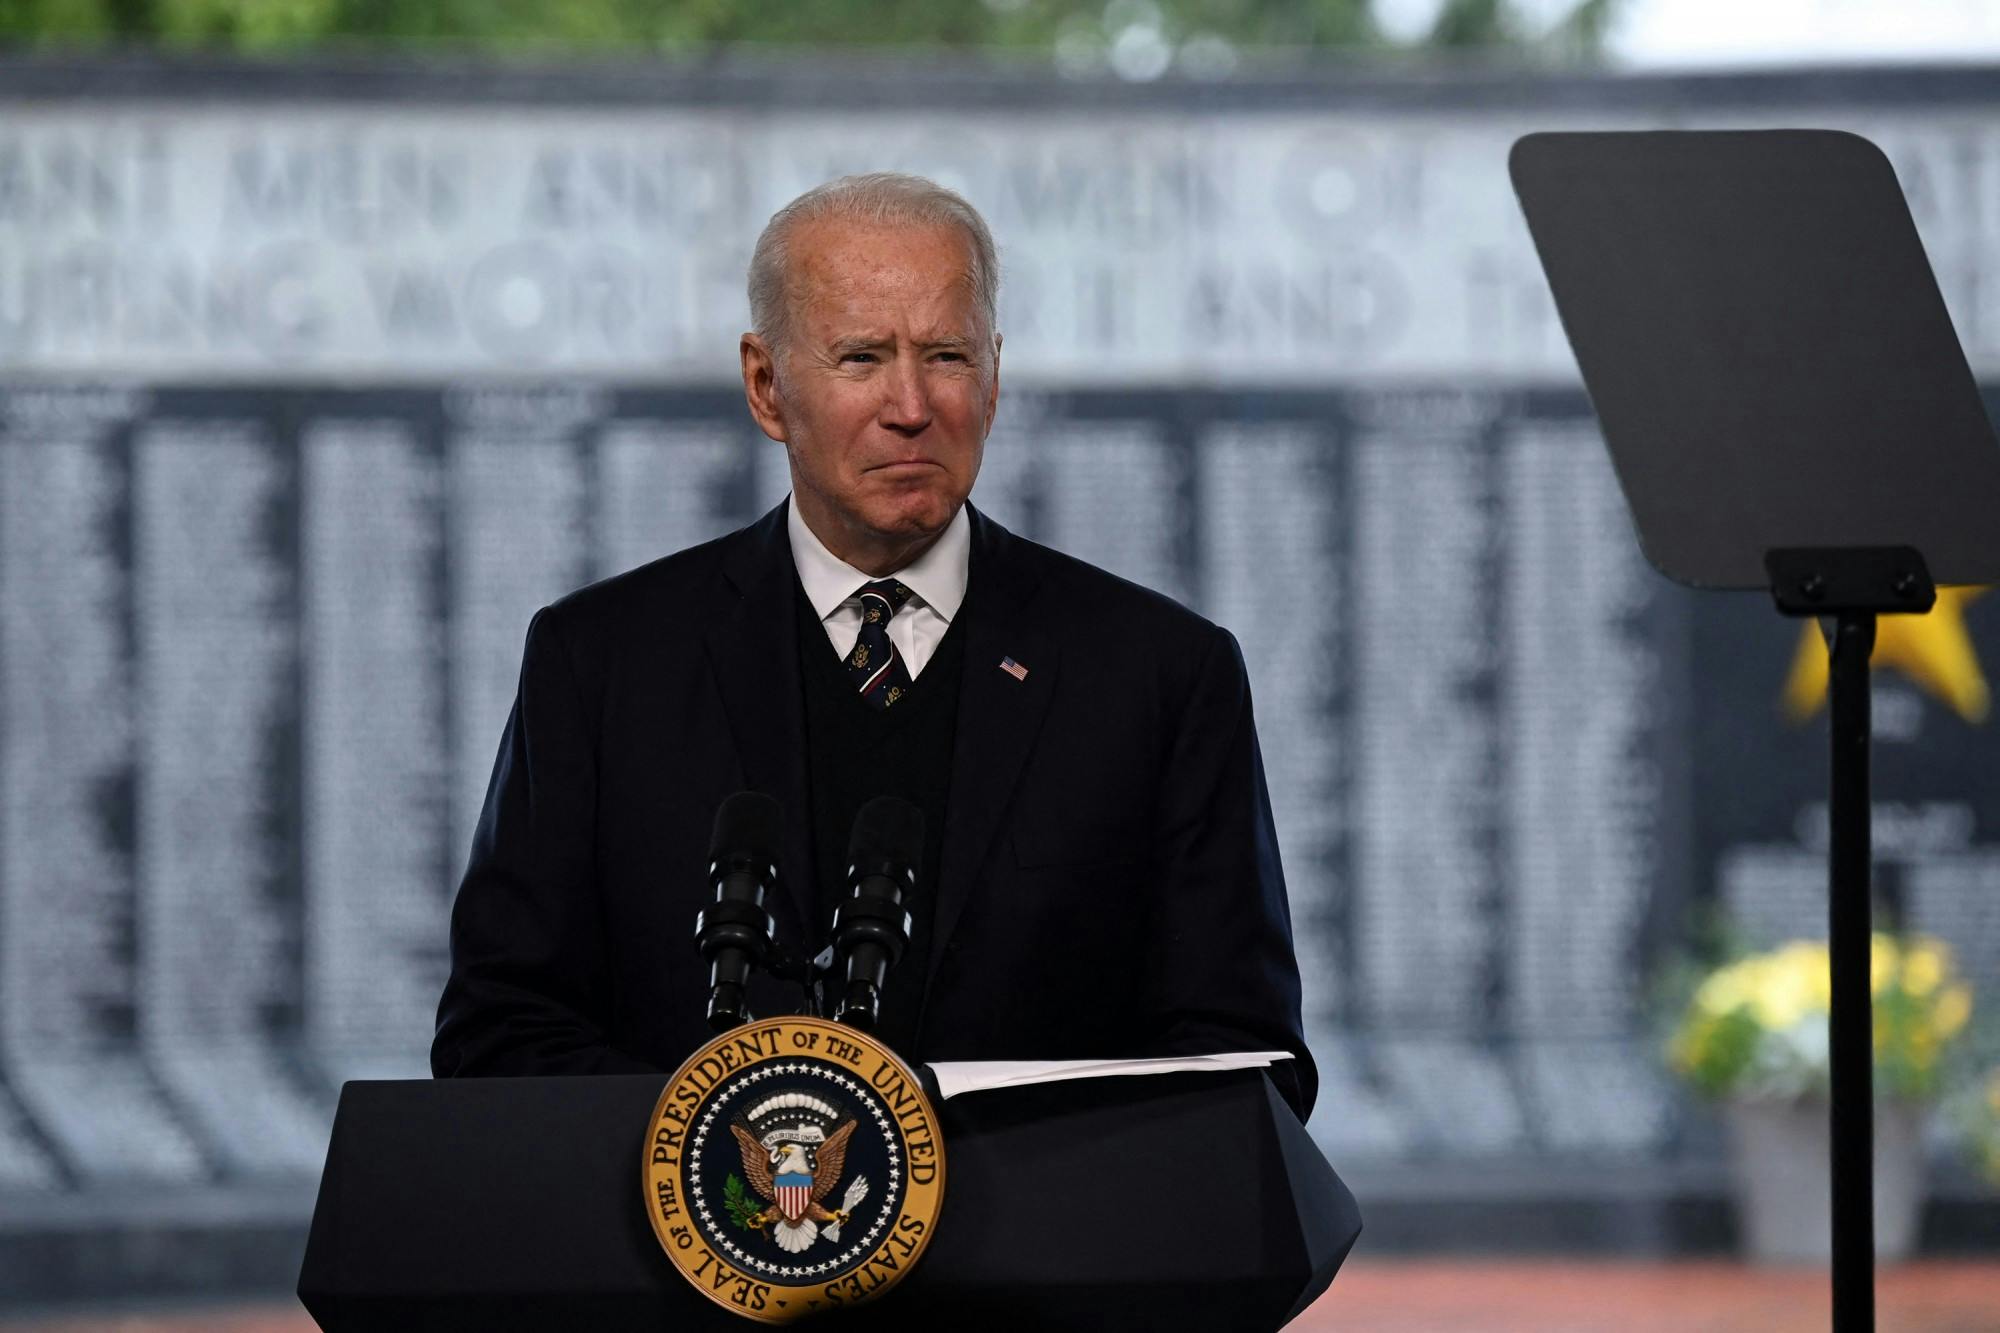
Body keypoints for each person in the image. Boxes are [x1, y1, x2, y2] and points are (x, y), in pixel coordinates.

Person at [431, 173, 1316, 1119]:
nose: (911, 405)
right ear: (766, 386)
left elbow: (1245, 1059)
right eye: (861, 357)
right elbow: (501, 1032)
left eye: (946, 355)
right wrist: (722, 1146)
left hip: (1043, 1259)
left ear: (994, 376)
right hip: (701, 1250)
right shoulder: (602, 664)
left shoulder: (1160, 676)